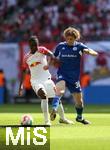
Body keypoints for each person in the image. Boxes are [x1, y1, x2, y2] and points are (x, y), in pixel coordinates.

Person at [18, 35, 73, 125]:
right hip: (36, 81)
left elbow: (52, 55)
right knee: (43, 95)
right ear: (29, 46)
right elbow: (24, 71)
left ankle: (63, 118)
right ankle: (47, 121)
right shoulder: (26, 58)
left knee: (56, 98)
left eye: (36, 45)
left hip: (47, 79)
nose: (35, 47)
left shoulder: (42, 50)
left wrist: (49, 64)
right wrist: (21, 86)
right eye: (33, 46)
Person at [50, 27, 98, 124]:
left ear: (75, 38)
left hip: (74, 78)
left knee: (79, 102)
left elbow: (91, 51)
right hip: (62, 74)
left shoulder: (79, 46)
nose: (69, 40)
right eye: (67, 38)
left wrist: (91, 52)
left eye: (71, 39)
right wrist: (50, 63)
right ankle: (54, 109)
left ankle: (79, 117)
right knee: (60, 91)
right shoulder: (60, 46)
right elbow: (53, 57)